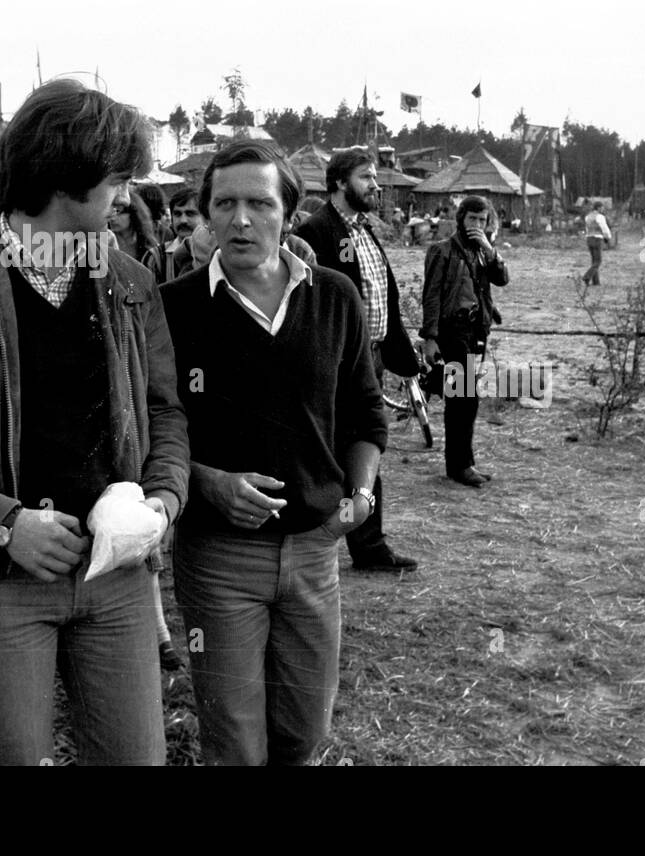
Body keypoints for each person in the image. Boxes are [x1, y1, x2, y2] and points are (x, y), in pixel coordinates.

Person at [0, 79, 189, 765]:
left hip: (117, 581)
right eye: (115, 180)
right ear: (64, 178)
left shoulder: (131, 283)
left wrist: (160, 507)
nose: (124, 198)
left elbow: (167, 414)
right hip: (0, 585)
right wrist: (3, 521)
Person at [161, 139, 386, 764]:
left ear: (288, 212)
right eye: (224, 203)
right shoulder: (173, 309)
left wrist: (361, 495)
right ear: (205, 211)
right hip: (217, 559)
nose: (241, 219)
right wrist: (206, 483)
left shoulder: (335, 297)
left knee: (305, 733)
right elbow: (156, 429)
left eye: (259, 203)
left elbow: (366, 414)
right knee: (235, 742)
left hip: (315, 552)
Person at [294, 148, 420, 575]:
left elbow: (384, 295)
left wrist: (399, 351)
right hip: (336, 362)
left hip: (372, 358)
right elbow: (308, 303)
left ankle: (368, 546)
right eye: (366, 177)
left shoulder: (365, 230)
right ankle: (322, 543)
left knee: (367, 446)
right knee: (335, 451)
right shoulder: (316, 231)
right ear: (339, 183)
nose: (376, 185)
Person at [421, 196, 509, 487]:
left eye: (482, 220)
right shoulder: (441, 251)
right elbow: (431, 296)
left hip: (474, 332)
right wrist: (430, 338)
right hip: (451, 331)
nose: (476, 225)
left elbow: (503, 279)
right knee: (463, 398)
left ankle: (462, 463)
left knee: (466, 399)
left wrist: (489, 248)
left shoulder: (482, 252)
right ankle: (460, 466)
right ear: (461, 219)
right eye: (472, 219)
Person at [109, 192, 166, 281]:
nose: (113, 218)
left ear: (133, 214)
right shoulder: (107, 242)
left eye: (119, 212)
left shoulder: (149, 247)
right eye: (111, 212)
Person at [166, 187, 206, 280]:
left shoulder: (216, 254)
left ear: (205, 217)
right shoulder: (156, 258)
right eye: (177, 214)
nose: (183, 220)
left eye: (190, 213)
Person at [582, 201, 611, 286]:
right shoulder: (600, 217)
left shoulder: (587, 217)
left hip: (589, 238)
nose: (603, 209)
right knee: (598, 261)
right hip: (597, 238)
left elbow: (587, 229)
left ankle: (596, 281)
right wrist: (607, 237)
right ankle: (587, 276)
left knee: (594, 261)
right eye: (602, 207)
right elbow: (604, 228)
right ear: (598, 208)